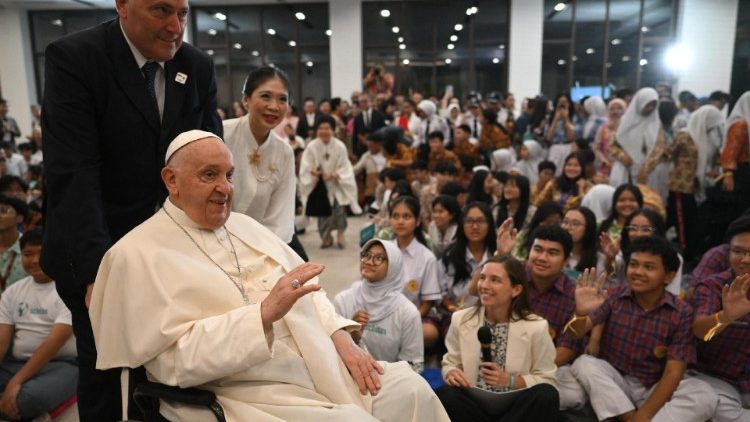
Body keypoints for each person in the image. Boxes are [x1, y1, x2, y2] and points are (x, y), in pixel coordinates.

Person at [89, 130, 449, 421]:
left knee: (412, 390)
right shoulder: (135, 255)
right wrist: (262, 315)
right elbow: (172, 362)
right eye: (209, 175)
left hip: (318, 363)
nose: (225, 188)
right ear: (171, 180)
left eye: (229, 176)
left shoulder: (246, 227)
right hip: (244, 391)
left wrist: (340, 337)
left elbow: (310, 292)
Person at [41, 1, 222, 417]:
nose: (175, 27)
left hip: (171, 254)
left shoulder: (195, 66)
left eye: (183, 14)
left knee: (170, 370)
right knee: (109, 374)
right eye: (161, 11)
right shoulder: (76, 59)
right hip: (97, 247)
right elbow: (74, 175)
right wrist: (97, 275)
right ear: (122, 5)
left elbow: (208, 164)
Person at [568, 237, 718, 422]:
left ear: (669, 276)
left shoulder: (682, 312)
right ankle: (627, 416)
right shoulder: (614, 296)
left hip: (654, 386)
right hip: (616, 383)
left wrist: (645, 414)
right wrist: (580, 314)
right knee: (584, 363)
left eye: (648, 267)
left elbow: (673, 373)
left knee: (704, 394)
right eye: (633, 264)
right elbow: (574, 333)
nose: (638, 272)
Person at [437, 255, 559, 422]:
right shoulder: (461, 319)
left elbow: (547, 378)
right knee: (446, 394)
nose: (484, 285)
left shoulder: (536, 326)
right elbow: (450, 362)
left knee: (546, 395)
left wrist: (511, 381)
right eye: (482, 278)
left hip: (515, 409)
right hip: (474, 406)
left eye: (495, 280)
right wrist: (451, 372)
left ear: (516, 290)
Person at [223, 67, 307, 260]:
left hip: (262, 246)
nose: (274, 106)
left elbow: (280, 217)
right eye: (266, 96)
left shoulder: (284, 152)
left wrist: (262, 255)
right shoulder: (221, 134)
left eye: (282, 99)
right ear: (246, 100)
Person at [0, 229, 78, 421]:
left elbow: (54, 342)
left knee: (28, 399)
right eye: (28, 254)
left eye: (41, 253)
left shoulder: (69, 290)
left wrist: (14, 383)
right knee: (19, 397)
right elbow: (2, 341)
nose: (35, 260)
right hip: (15, 364)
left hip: (59, 364)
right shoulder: (13, 291)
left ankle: (15, 402)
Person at [690, 216, 750, 422]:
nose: (745, 259)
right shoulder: (713, 286)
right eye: (738, 251)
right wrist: (726, 316)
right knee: (713, 405)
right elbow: (700, 331)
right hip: (715, 378)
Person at [334, 239, 424, 373]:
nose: (369, 262)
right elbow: (329, 353)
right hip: (347, 378)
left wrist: (380, 378)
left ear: (393, 266)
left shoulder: (407, 312)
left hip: (389, 381)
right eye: (366, 255)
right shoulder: (343, 300)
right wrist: (352, 336)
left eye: (379, 258)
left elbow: (414, 364)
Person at [300, 116, 361, 249]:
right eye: (321, 128)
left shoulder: (340, 146)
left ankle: (340, 235)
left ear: (333, 130)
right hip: (320, 185)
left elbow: (346, 166)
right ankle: (326, 238)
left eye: (327, 128)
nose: (324, 131)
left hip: (337, 183)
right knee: (323, 213)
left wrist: (335, 174)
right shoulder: (312, 146)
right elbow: (305, 166)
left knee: (339, 212)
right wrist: (315, 172)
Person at [609, 88, 660, 187]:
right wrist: (621, 156)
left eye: (653, 105)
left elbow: (658, 149)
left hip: (647, 172)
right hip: (624, 168)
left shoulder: (656, 124)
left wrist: (645, 169)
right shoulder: (624, 121)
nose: (650, 108)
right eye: (647, 104)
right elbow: (612, 145)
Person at [720, 91, 750, 220]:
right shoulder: (740, 125)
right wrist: (728, 174)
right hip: (741, 172)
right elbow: (730, 150)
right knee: (740, 209)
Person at [592, 98, 626, 178]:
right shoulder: (603, 128)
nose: (615, 111)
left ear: (625, 110)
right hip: (605, 166)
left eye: (619, 108)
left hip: (624, 166)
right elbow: (596, 147)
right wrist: (604, 161)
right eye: (612, 109)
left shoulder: (628, 129)